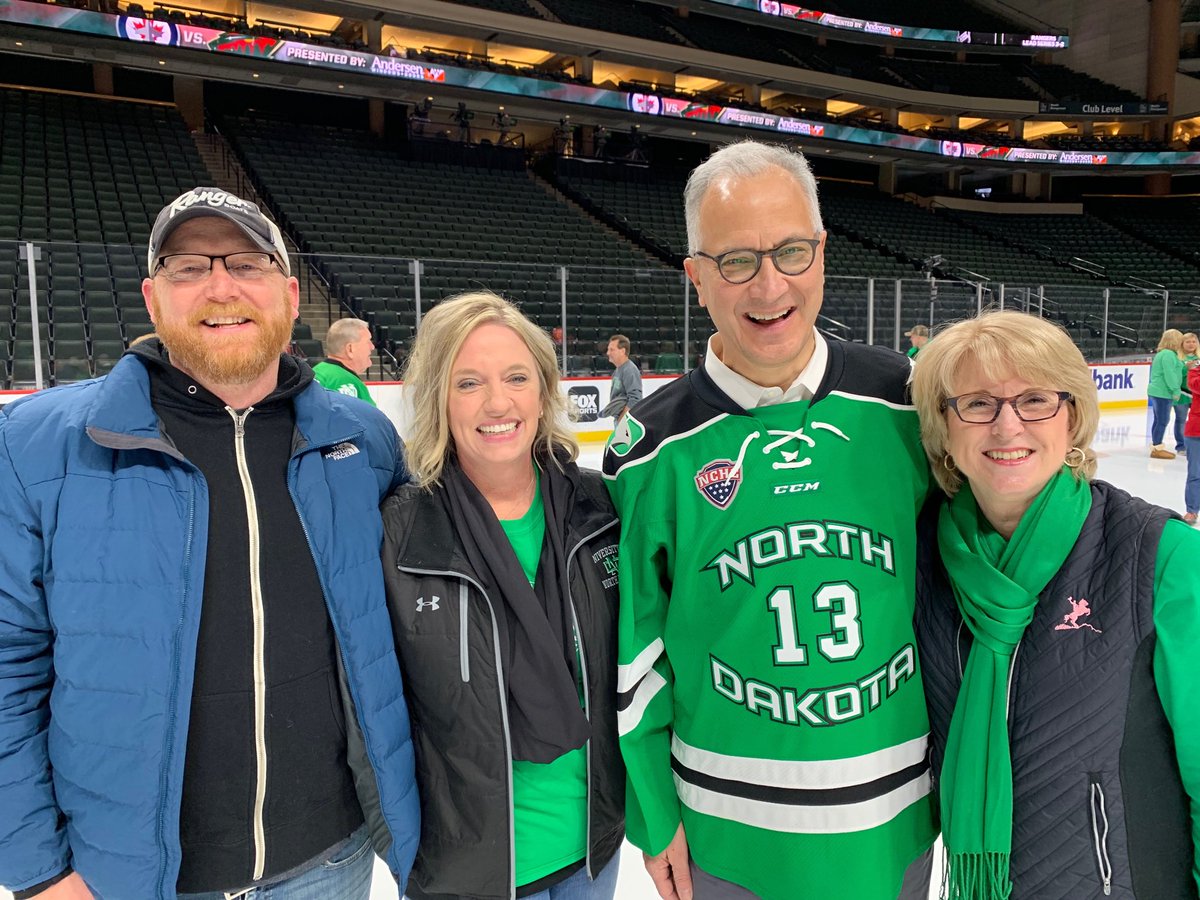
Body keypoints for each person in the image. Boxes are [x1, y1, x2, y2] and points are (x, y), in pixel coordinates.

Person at [0, 187, 419, 899]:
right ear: (153, 298)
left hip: (328, 863)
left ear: (290, 296)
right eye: (188, 267)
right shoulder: (36, 448)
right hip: (125, 880)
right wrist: (40, 873)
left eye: (247, 263)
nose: (220, 285)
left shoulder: (363, 443)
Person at [604, 141, 936, 900]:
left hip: (895, 823)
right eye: (736, 261)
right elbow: (633, 659)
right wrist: (654, 816)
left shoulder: (905, 405)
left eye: (791, 251)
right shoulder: (650, 452)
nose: (770, 284)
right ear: (695, 277)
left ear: (821, 253)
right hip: (728, 836)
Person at [910, 310, 1200, 899]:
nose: (1007, 425)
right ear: (944, 427)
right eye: (977, 403)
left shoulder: (1161, 556)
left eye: (1035, 399)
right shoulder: (917, 563)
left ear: (1072, 416)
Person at [381, 291, 625, 900]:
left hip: (591, 852)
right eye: (468, 383)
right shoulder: (397, 533)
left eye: (516, 377)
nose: (497, 403)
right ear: (439, 397)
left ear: (543, 391)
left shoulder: (602, 512)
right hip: (468, 873)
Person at [313, 317, 377, 406]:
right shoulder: (346, 382)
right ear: (350, 349)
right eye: (368, 341)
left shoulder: (316, 372)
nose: (372, 347)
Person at [1148, 328, 1185, 459]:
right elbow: (1170, 375)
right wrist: (1175, 390)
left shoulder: (1165, 354)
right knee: (1163, 420)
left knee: (1159, 420)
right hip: (1163, 392)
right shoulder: (1168, 355)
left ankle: (1155, 446)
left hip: (1159, 391)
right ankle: (1157, 448)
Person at [602, 333, 642, 421]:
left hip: (626, 422)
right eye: (608, 349)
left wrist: (622, 420)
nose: (608, 353)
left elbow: (635, 399)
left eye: (612, 350)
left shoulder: (629, 370)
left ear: (622, 351)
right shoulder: (618, 370)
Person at [1175, 331, 1199, 456]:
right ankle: (1181, 445)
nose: (1191, 344)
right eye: (1188, 342)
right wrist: (1186, 369)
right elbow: (1175, 376)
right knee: (1181, 420)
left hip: (1196, 395)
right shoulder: (1178, 358)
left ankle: (1194, 444)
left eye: (1194, 341)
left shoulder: (1199, 358)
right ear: (1182, 343)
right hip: (1182, 393)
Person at [1185, 358, 1200, 525]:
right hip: (1196, 431)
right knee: (1195, 473)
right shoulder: (1195, 372)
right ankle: (1192, 510)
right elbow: (1196, 386)